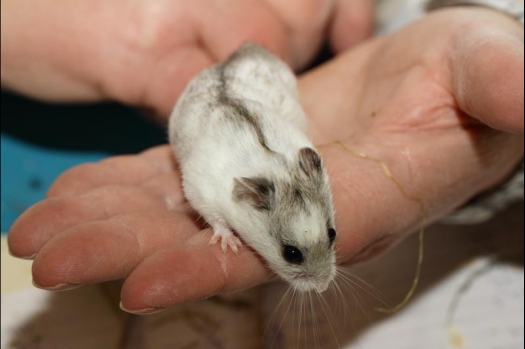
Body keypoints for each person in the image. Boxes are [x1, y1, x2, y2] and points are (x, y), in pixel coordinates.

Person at [3, 0, 523, 314]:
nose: (323, 274)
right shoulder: (221, 185)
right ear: (245, 199)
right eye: (295, 256)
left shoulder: (298, 150)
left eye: (326, 242)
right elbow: (201, 185)